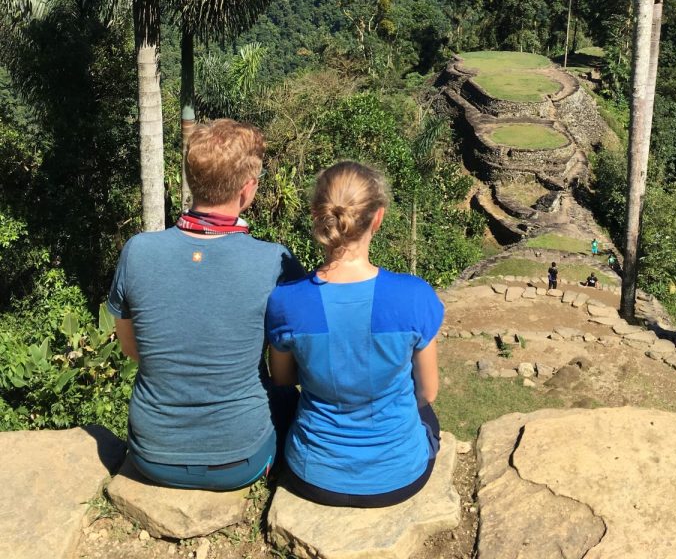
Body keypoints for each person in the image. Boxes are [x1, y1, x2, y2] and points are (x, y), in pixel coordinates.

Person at [107, 119, 303, 491]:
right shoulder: (274, 261)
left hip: (151, 456)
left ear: (192, 180)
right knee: (284, 394)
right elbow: (293, 365)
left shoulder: (137, 252)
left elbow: (133, 350)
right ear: (247, 190)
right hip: (240, 461)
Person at [266, 161, 443, 508]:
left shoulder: (286, 300)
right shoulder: (414, 295)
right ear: (377, 218)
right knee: (427, 416)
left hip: (312, 475)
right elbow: (428, 392)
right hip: (399, 477)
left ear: (318, 215)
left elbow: (283, 379)